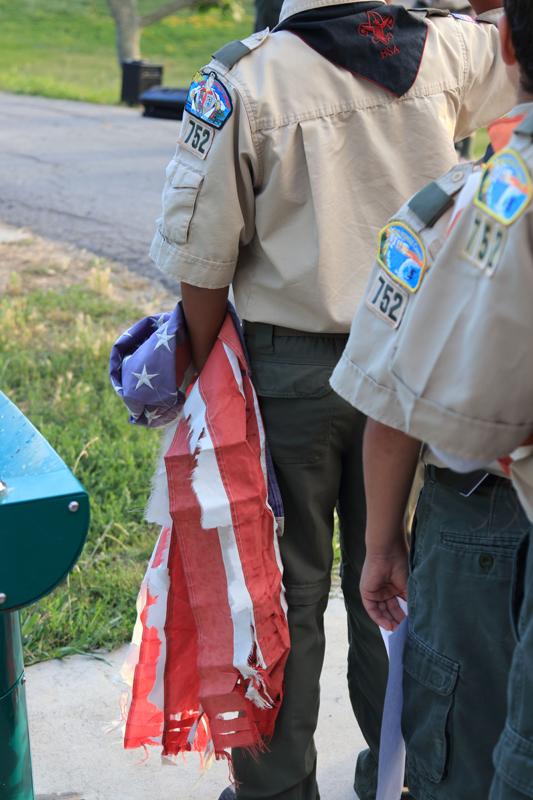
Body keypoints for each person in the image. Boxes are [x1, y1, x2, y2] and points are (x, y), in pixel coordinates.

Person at [149, 1, 516, 797]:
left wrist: (212, 375)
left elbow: (203, 258)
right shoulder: (444, 49)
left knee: (280, 592)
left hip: (291, 374)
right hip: (412, 364)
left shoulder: (246, 77)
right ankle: (400, 773)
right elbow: (516, 58)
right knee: (400, 586)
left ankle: (277, 787)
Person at [330, 0, 533, 796]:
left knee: (466, 749)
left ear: (506, 43)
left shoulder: (471, 207)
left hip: (479, 515)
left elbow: (401, 401)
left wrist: (382, 542)